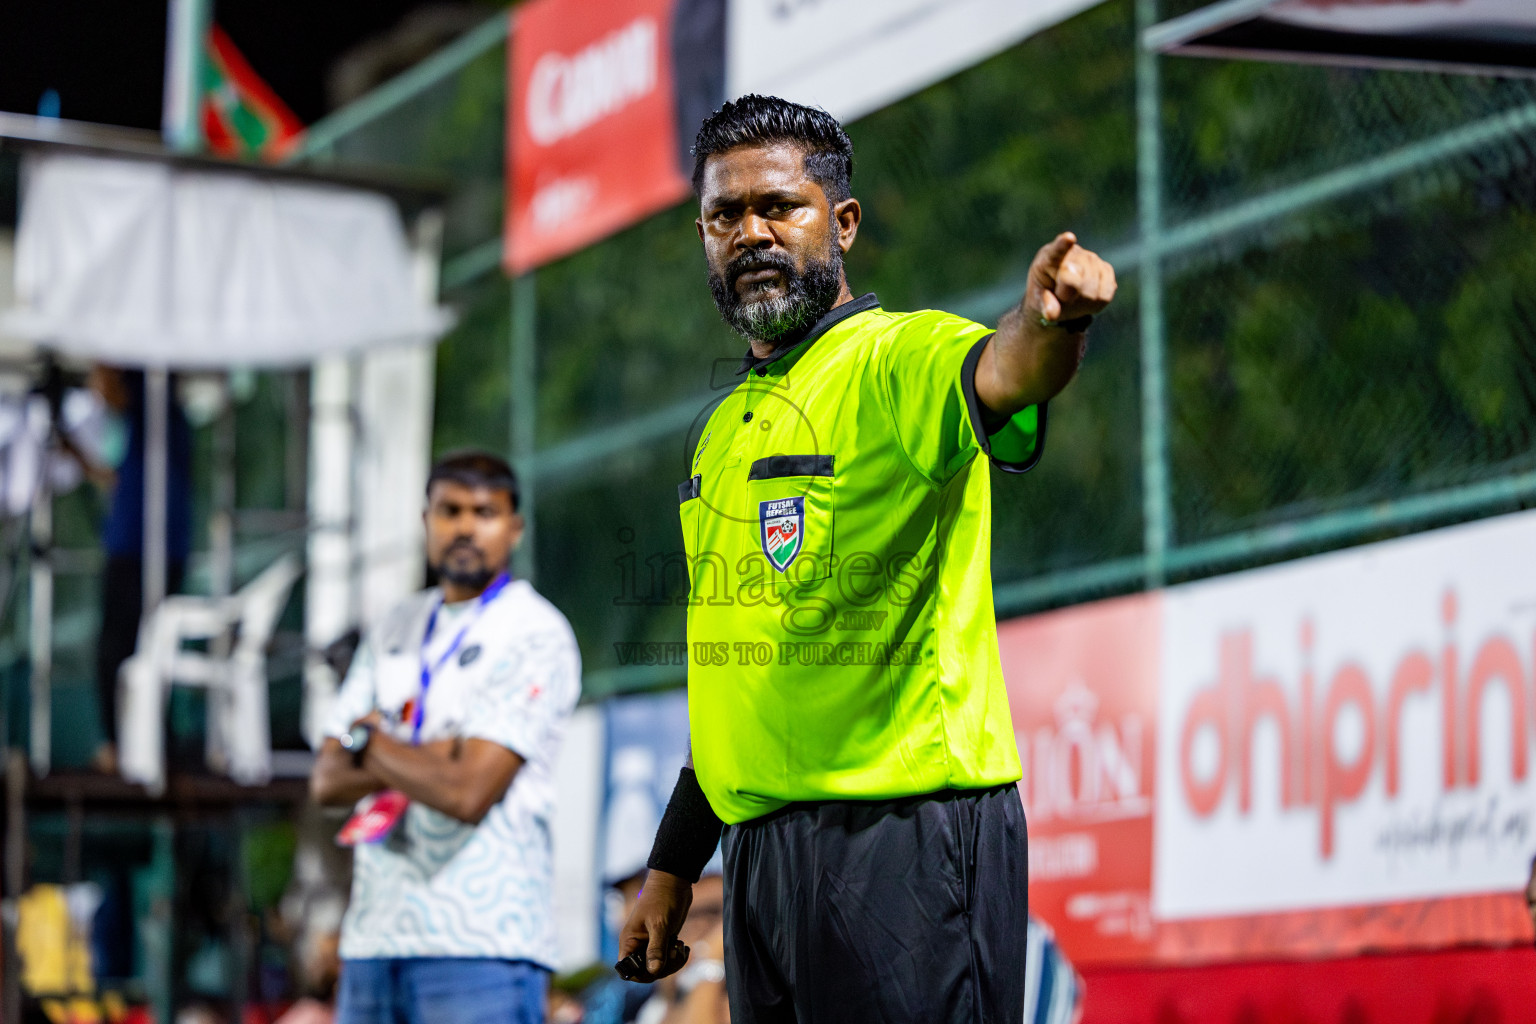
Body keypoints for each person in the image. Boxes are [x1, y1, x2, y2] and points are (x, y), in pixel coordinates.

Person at [618, 95, 1116, 1023]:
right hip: (761, 860)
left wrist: (1052, 326)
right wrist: (674, 864)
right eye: (726, 216)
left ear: (842, 221)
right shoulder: (722, 429)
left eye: (781, 207)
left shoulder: (901, 358)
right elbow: (737, 675)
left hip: (907, 838)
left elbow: (1003, 371)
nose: (752, 233)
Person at [310, 450, 581, 1024]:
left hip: (483, 947)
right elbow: (326, 779)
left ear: (515, 527)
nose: (463, 527)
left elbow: (468, 790)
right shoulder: (395, 626)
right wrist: (444, 748)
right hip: (373, 942)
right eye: (449, 510)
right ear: (426, 520)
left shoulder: (534, 631)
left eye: (483, 512)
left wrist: (373, 741)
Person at [90, 365, 193, 774]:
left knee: (122, 651)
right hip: (150, 550)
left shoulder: (154, 407)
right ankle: (138, 742)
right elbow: (116, 478)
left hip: (142, 551)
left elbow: (109, 386)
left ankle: (127, 744)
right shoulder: (156, 422)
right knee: (138, 650)